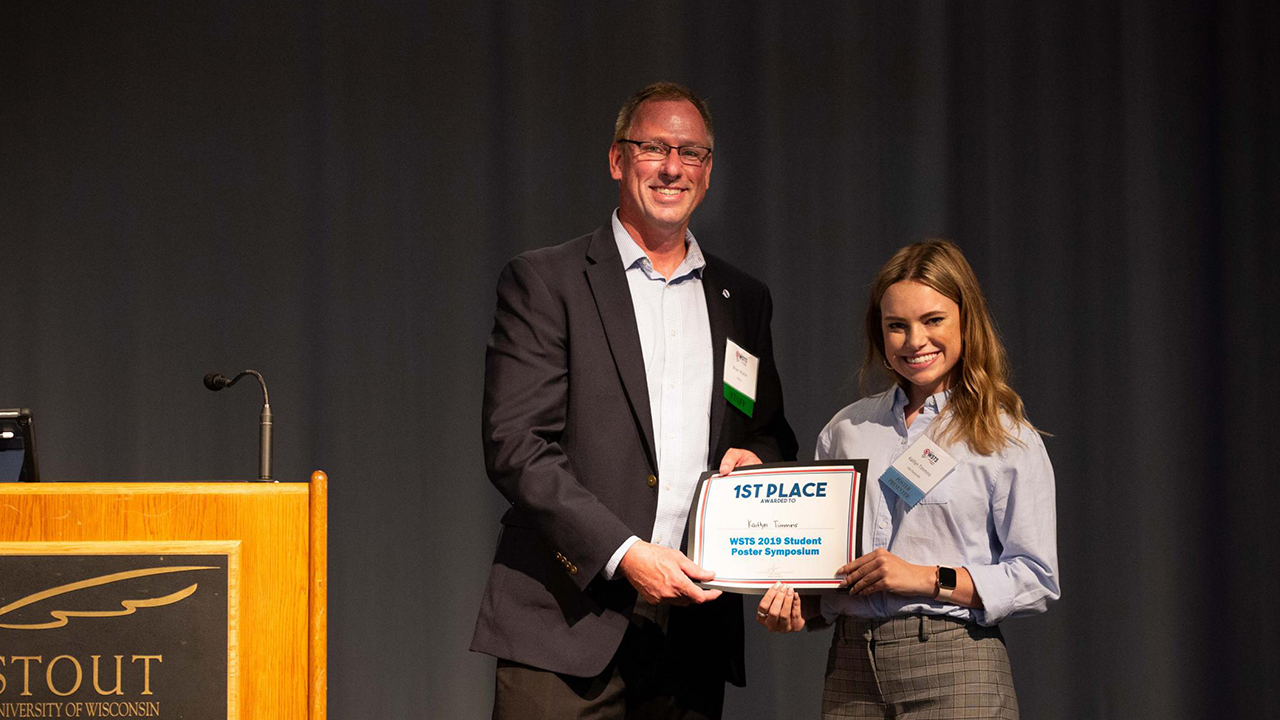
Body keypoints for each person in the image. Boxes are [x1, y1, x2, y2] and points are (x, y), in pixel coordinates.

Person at [472, 81, 798, 720]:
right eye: (654, 147)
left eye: (692, 153)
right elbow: (516, 445)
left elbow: (766, 428)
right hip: (566, 621)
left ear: (707, 174)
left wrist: (755, 460)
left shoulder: (743, 299)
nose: (673, 167)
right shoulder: (547, 281)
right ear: (618, 161)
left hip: (693, 631)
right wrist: (625, 554)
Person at [757, 240, 1058, 719]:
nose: (914, 340)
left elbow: (1035, 579)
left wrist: (922, 578)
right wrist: (797, 607)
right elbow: (826, 571)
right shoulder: (847, 430)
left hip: (955, 664)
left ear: (966, 321)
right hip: (852, 668)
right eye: (896, 325)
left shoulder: (1006, 436)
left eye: (933, 320)